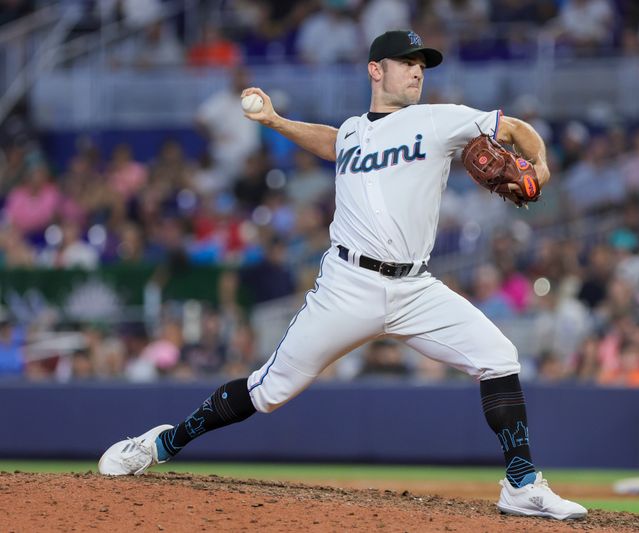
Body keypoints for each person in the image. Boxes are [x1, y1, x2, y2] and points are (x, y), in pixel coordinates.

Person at [97, 30, 587, 521]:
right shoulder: (354, 130)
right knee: (267, 392)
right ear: (376, 69)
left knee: (498, 356)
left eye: (423, 64)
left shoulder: (439, 119)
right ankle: (162, 443)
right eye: (406, 61)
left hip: (416, 288)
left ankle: (521, 484)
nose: (418, 70)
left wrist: (540, 166)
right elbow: (336, 143)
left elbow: (517, 129)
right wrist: (275, 121)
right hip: (347, 287)